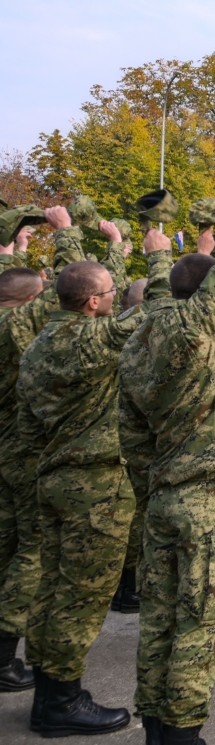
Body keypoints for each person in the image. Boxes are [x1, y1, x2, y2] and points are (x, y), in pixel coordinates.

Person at [119, 147, 215, 743]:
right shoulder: (204, 326)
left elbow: (130, 433)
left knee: (158, 620)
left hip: (161, 495)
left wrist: (152, 478)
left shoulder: (140, 338)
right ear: (211, 300)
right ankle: (183, 731)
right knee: (201, 624)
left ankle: (158, 726)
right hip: (206, 500)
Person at [13, 221, 161, 738]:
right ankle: (61, 702)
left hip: (51, 481)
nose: (114, 298)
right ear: (93, 304)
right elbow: (154, 312)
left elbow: (27, 430)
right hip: (94, 490)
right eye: (108, 293)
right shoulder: (96, 342)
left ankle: (49, 691)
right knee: (80, 598)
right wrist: (157, 257)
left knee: (52, 590)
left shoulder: (36, 348)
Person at [0, 220, 90, 695]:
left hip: (11, 446)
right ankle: (5, 655)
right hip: (26, 449)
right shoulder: (21, 325)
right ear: (32, 304)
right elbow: (76, 289)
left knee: (9, 545)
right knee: (32, 555)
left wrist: (12, 248)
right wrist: (70, 237)